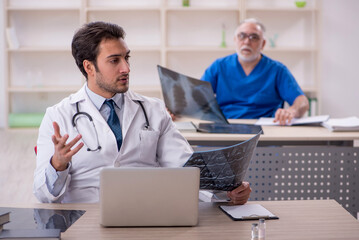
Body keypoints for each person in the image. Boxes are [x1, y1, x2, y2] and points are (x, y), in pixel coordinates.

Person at [33, 21, 251, 204]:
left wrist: (226, 192)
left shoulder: (153, 109)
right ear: (89, 67)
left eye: (126, 58)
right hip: (86, 218)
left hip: (146, 214)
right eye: (114, 60)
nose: (126, 68)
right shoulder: (58, 116)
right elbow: (44, 195)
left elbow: (185, 168)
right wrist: (58, 164)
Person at [201, 18, 309, 125]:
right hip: (225, 127)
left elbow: (302, 102)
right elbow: (197, 96)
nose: (247, 42)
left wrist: (291, 111)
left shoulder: (277, 70)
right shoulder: (219, 66)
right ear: (235, 40)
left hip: (265, 130)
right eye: (242, 36)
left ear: (263, 43)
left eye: (254, 37)